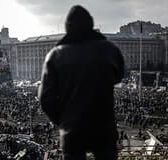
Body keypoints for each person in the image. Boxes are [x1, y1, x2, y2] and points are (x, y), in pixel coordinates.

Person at [38, 5, 124, 160]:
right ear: (90, 24)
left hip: (72, 131)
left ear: (68, 27)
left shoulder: (55, 55)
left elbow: (45, 99)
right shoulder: (109, 50)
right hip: (104, 128)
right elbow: (118, 76)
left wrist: (64, 120)